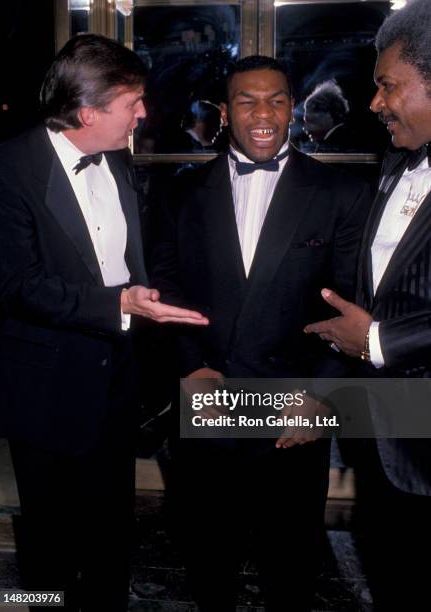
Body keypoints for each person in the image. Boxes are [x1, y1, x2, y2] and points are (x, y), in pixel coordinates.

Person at [0, 33, 208, 612]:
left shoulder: (120, 158)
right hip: (45, 388)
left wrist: (151, 302)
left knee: (112, 524)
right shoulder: (8, 168)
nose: (145, 113)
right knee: (48, 539)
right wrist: (119, 304)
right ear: (88, 111)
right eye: (133, 103)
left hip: (118, 379)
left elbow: (130, 257)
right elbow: (15, 286)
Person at [151, 55, 370, 611]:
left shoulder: (341, 192)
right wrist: (190, 366)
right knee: (207, 559)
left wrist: (320, 395)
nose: (263, 112)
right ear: (224, 113)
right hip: (210, 399)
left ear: (293, 108)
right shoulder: (178, 191)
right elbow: (164, 286)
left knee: (291, 564)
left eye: (276, 99)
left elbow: (354, 304)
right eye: (247, 100)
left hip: (291, 411)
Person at [304, 0, 431, 607]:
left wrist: (378, 341)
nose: (375, 103)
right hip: (389, 432)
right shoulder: (398, 162)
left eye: (387, 86)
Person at [303, 79, 352, 152]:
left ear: (329, 114)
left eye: (309, 121)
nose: (305, 129)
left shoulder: (329, 147)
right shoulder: (347, 138)